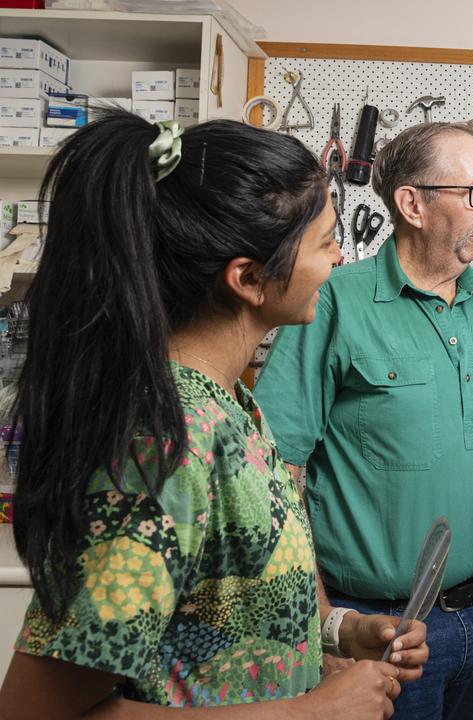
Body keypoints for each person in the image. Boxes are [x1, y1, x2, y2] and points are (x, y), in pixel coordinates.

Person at [0, 112, 429, 718]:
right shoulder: (166, 444)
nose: (340, 258)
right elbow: (34, 712)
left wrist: (339, 632)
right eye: (326, 240)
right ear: (250, 279)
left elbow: (224, 603)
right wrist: (310, 712)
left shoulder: (231, 406)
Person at [254, 120, 473, 719]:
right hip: (387, 626)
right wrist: (325, 625)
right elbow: (275, 468)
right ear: (411, 203)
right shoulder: (334, 300)